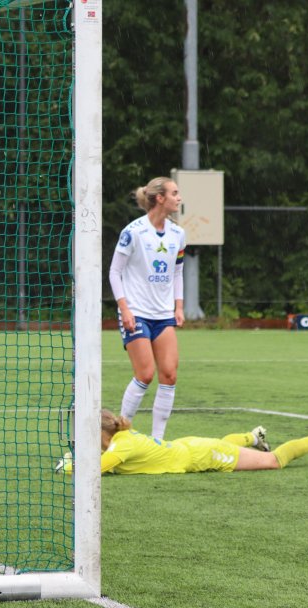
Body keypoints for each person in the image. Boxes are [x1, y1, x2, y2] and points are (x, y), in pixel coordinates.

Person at [55, 409, 308, 475]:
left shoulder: (121, 446)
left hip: (200, 456)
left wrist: (68, 464)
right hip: (190, 446)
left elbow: (92, 469)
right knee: (221, 444)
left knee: (273, 461)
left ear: (103, 434)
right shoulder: (121, 439)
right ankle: (252, 437)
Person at [110, 176, 186, 440]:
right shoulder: (133, 232)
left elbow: (178, 272)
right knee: (145, 373)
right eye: (174, 193)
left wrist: (178, 306)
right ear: (159, 198)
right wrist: (125, 309)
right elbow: (114, 272)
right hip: (136, 312)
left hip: (163, 315)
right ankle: (121, 434)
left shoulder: (178, 234)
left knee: (169, 375)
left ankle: (157, 441)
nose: (179, 198)